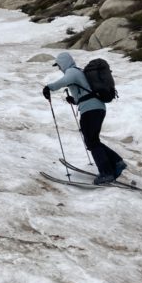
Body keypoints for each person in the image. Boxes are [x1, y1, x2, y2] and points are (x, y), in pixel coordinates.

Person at [43, 52, 126, 184]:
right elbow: (85, 93)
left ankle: (106, 173)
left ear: (64, 63)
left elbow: (63, 82)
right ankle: (116, 162)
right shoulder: (77, 72)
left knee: (91, 141)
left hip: (91, 110)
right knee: (93, 140)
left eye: (59, 65)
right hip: (96, 108)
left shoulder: (71, 72)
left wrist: (49, 87)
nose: (59, 68)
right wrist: (75, 101)